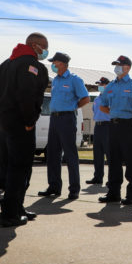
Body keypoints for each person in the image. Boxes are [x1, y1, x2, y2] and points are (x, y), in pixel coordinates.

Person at [0, 33, 50, 227]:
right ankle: (9, 213)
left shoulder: (7, 63)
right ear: (34, 45)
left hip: (6, 122)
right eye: (44, 47)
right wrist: (29, 120)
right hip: (21, 123)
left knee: (16, 166)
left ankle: (18, 207)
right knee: (20, 168)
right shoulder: (31, 65)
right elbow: (27, 94)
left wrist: (2, 111)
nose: (45, 51)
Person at [38, 52, 89, 200]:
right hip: (54, 119)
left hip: (67, 118)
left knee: (70, 155)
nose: (53, 65)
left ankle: (74, 189)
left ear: (63, 64)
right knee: (53, 154)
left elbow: (85, 98)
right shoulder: (55, 81)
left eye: (55, 62)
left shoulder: (75, 80)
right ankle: (54, 187)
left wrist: (72, 107)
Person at [98, 55, 132, 206]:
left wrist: (127, 115)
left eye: (119, 64)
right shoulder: (111, 86)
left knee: (131, 160)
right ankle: (113, 193)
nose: (116, 67)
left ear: (127, 67)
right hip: (113, 125)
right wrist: (115, 115)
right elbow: (102, 104)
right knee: (113, 160)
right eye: (116, 64)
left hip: (128, 125)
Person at [86, 77, 111, 185]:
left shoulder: (111, 98)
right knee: (97, 154)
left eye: (102, 84)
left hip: (108, 127)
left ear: (107, 85)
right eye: (99, 84)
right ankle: (98, 177)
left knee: (109, 154)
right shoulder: (96, 99)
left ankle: (112, 179)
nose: (100, 86)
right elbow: (94, 112)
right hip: (98, 127)